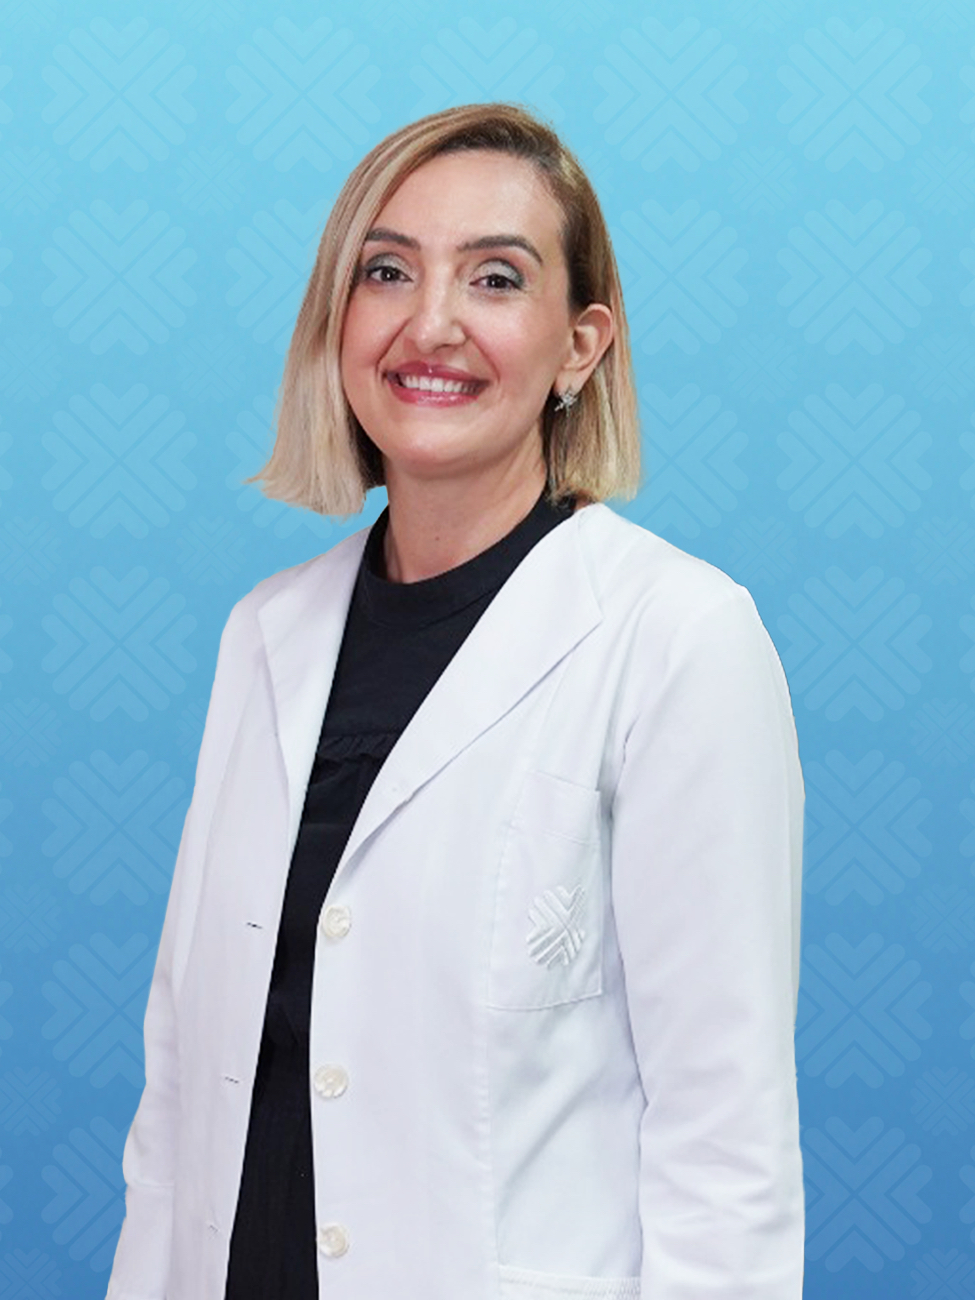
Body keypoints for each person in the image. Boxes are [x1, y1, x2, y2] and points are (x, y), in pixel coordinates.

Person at [106, 103, 805, 1300]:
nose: (430, 323)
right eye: (386, 271)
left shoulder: (674, 639)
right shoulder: (264, 635)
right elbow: (179, 1093)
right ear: (337, 319)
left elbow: (724, 1145)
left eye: (495, 277)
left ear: (580, 347)